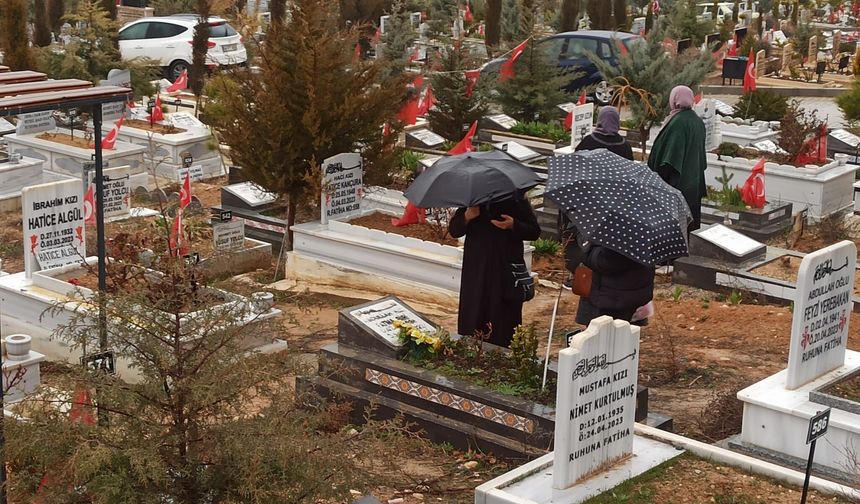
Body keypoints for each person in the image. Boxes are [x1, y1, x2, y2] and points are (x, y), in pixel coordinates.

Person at [448, 194, 541, 348]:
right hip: (476, 271)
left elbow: (534, 231)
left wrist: (513, 225)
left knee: (503, 318)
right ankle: (470, 350)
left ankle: (503, 354)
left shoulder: (516, 200)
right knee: (474, 312)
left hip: (505, 272)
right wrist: (467, 216)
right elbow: (454, 230)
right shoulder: (473, 200)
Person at [648, 85, 707, 231]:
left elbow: (670, 158)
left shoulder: (678, 122)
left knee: (677, 228)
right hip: (694, 182)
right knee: (690, 227)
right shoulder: (696, 121)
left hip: (677, 185)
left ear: (674, 99)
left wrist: (657, 179)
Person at [574, 243, 655, 327]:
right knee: (628, 333)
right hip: (634, 295)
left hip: (609, 298)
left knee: (604, 335)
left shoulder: (617, 238)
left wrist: (587, 249)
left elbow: (604, 261)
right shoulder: (645, 236)